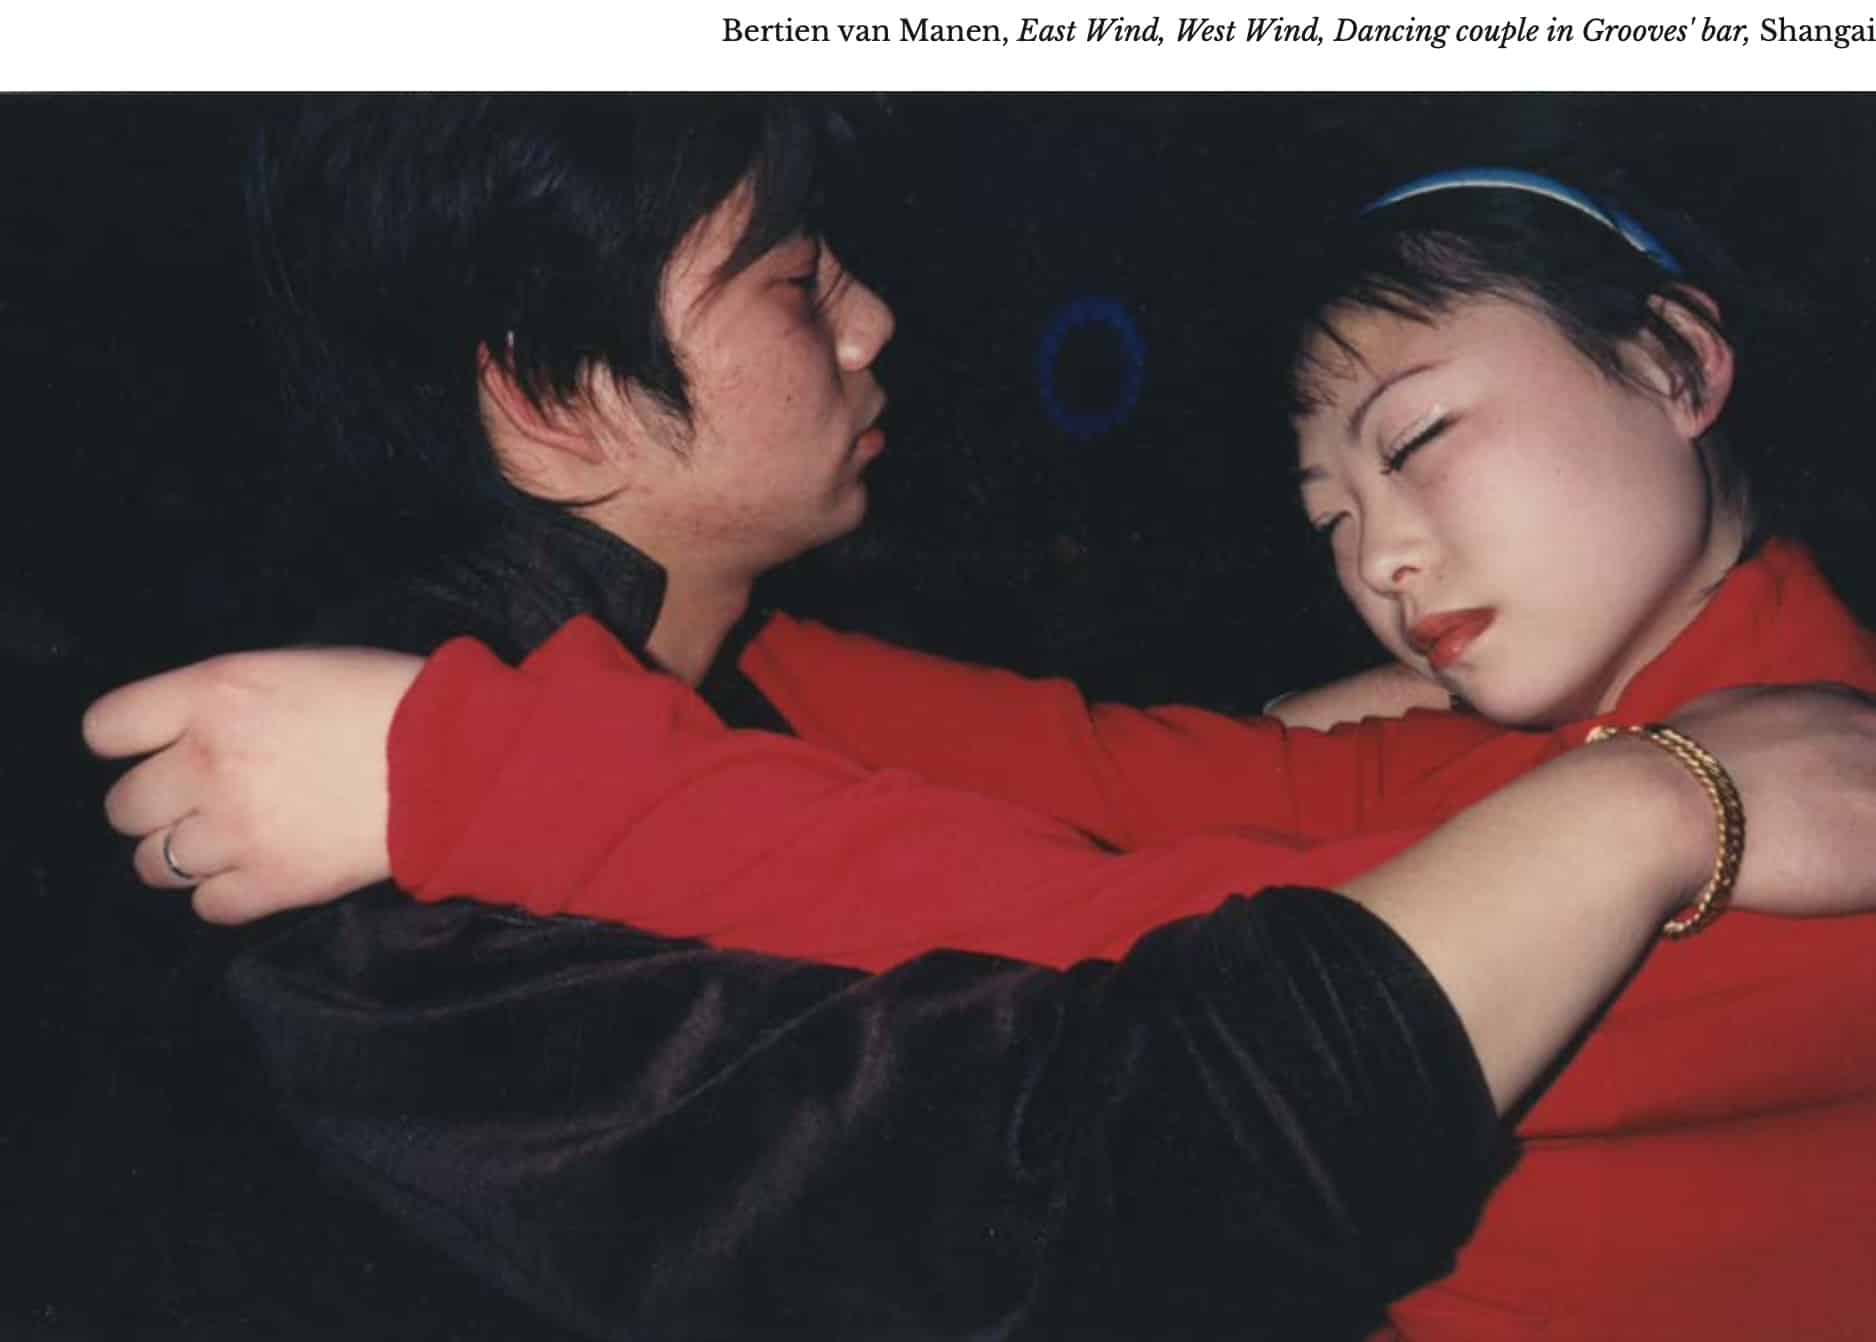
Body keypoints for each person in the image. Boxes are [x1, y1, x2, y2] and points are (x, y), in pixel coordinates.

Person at [86, 110, 1876, 1340]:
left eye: (1415, 441)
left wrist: (475, 764)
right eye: (1327, 510)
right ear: (556, 401)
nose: (1380, 558)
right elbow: (1092, 768)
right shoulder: (1622, 743)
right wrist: (654, 654)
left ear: (1677, 360)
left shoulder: (1806, 818)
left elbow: (1200, 966)